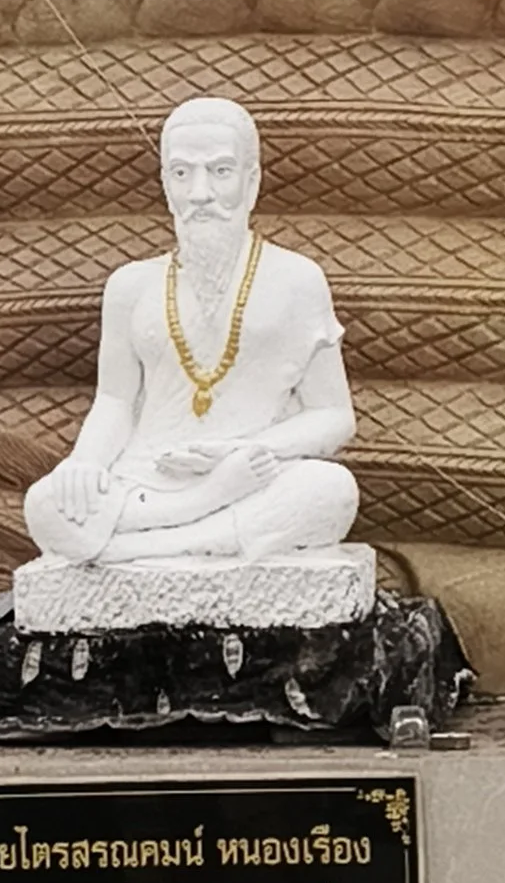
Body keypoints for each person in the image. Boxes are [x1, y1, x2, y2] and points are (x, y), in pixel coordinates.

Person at [22, 97, 360, 570]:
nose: (200, 193)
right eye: (182, 174)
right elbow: (115, 401)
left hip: (252, 471)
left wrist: (248, 451)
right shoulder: (130, 286)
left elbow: (334, 415)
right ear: (165, 185)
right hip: (149, 482)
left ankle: (149, 548)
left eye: (220, 171)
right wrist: (85, 464)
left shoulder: (298, 280)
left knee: (331, 491)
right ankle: (197, 516)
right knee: (45, 507)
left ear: (252, 181)